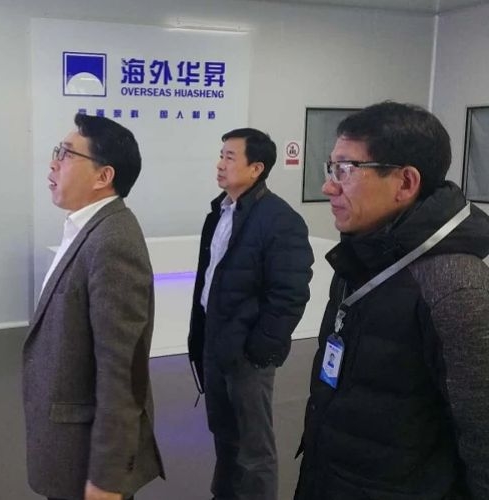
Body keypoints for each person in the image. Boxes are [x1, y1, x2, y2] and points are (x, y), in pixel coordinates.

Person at [294, 101, 489, 499]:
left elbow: (482, 440)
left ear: (405, 183)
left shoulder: (454, 287)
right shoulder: (362, 255)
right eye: (331, 168)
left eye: (346, 170)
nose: (329, 186)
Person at [22, 113, 165, 500]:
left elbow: (123, 372)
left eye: (66, 154)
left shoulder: (113, 241)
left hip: (89, 461)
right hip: (70, 447)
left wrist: (107, 477)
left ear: (104, 176)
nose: (53, 163)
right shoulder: (86, 228)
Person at [188, 128, 314, 500]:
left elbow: (290, 294)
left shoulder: (280, 220)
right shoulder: (220, 212)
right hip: (215, 342)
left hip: (247, 353)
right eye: (221, 155)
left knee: (254, 446)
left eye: (230, 157)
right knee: (224, 434)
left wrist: (260, 349)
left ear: (256, 168)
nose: (220, 164)